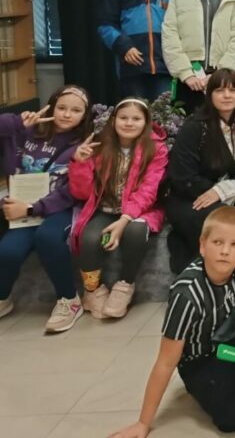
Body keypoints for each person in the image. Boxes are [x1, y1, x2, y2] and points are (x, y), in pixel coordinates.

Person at [107, 207, 235, 437]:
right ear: (203, 245)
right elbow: (165, 362)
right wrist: (143, 423)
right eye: (217, 242)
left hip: (233, 334)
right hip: (203, 359)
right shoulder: (187, 294)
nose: (225, 251)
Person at [0, 86, 93, 332]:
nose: (67, 114)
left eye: (75, 110)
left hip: (58, 209)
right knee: (8, 252)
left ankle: (69, 300)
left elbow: (73, 192)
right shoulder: (25, 132)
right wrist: (17, 122)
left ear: (85, 115)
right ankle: (2, 298)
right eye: (61, 108)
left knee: (48, 238)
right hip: (21, 208)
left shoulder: (82, 145)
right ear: (51, 107)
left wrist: (32, 208)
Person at [165, 69, 235, 273]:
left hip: (231, 193)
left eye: (233, 90)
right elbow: (183, 176)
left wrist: (227, 191)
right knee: (218, 221)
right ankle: (212, 278)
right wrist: (218, 192)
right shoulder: (194, 127)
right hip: (190, 198)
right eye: (220, 90)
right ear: (210, 94)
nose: (227, 96)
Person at [68, 98, 169, 319]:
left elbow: (149, 190)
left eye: (136, 119)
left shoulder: (156, 149)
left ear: (146, 123)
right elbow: (82, 193)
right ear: (113, 120)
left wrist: (125, 219)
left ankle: (125, 285)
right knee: (88, 238)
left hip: (142, 210)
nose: (129, 123)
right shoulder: (99, 146)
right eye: (123, 118)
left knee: (135, 231)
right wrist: (80, 163)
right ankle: (93, 290)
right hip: (104, 208)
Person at [97, 0, 176, 100]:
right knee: (135, 110)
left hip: (164, 65)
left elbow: (178, 23)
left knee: (164, 113)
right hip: (133, 65)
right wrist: (124, 46)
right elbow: (105, 25)